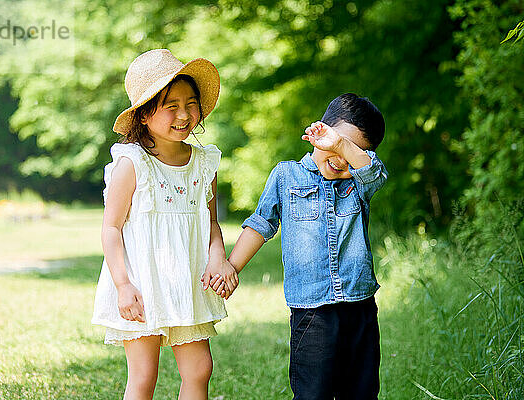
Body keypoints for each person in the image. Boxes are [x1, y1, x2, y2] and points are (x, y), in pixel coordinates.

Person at [215, 93, 387, 399]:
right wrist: (231, 265)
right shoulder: (286, 176)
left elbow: (374, 172)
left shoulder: (358, 182)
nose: (340, 159)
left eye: (351, 151)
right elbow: (261, 224)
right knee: (312, 392)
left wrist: (341, 145)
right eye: (335, 145)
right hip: (311, 309)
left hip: (358, 305)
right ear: (319, 133)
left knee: (361, 392)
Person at [92, 49, 238, 400]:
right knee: (144, 375)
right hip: (141, 283)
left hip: (188, 282)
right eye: (171, 105)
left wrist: (218, 258)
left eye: (191, 103)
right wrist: (123, 284)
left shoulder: (204, 163)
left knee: (200, 369)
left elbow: (212, 222)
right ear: (144, 114)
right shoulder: (133, 163)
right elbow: (111, 228)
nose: (184, 114)